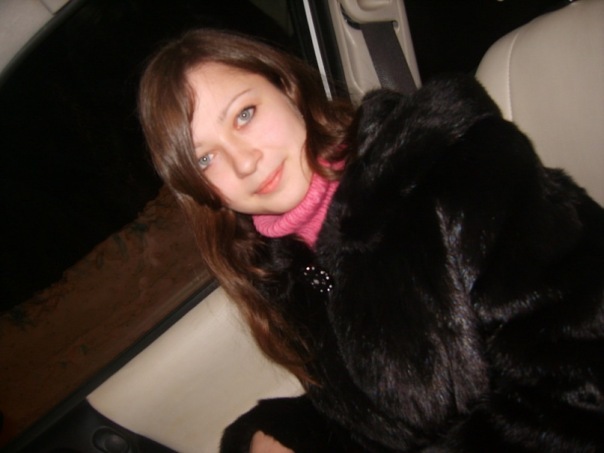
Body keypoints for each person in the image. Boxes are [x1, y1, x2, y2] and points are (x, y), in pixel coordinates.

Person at [138, 29, 604, 452]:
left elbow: (583, 378)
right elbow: (384, 417)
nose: (243, 163)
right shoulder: (285, 270)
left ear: (287, 88)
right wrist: (279, 435)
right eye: (205, 159)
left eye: (245, 114)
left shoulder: (450, 167)